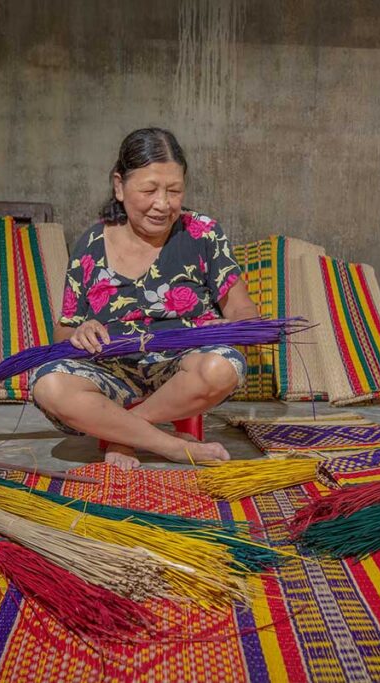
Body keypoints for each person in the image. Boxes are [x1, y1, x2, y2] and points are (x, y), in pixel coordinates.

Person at [30, 128, 259, 470]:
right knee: (49, 385)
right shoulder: (92, 243)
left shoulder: (202, 233)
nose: (163, 204)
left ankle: (125, 432)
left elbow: (242, 309)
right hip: (110, 376)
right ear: (119, 186)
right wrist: (82, 330)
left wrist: (234, 328)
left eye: (174, 190)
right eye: (149, 190)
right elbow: (64, 330)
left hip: (180, 372)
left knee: (222, 366)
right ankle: (171, 446)